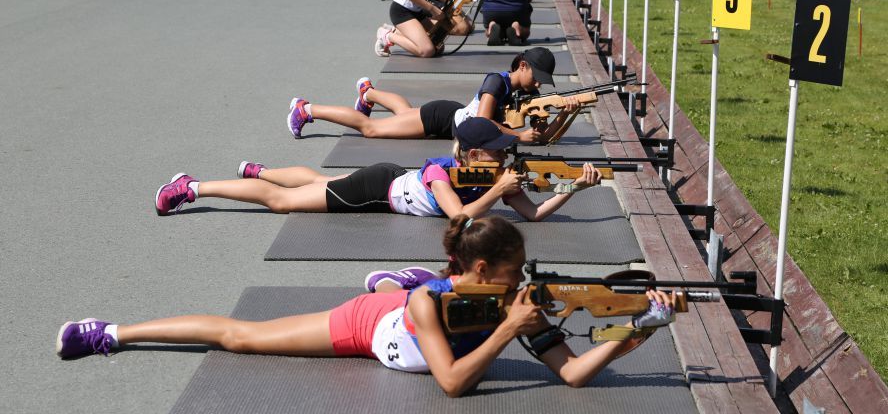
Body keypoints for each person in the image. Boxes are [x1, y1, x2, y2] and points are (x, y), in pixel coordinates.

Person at [56, 214, 676, 397]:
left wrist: (639, 329)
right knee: (240, 337)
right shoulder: (439, 305)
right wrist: (507, 328)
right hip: (371, 327)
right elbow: (455, 383)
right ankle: (115, 331)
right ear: (479, 269)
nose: (522, 285)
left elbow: (570, 374)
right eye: (513, 274)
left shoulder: (514, 303)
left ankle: (391, 281)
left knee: (406, 293)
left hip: (409, 317)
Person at [154, 117, 602, 220]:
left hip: (387, 176)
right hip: (375, 188)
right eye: (496, 152)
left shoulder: (492, 179)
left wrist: (572, 187)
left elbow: (534, 215)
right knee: (283, 203)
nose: (504, 158)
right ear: (469, 155)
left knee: (314, 178)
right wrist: (499, 188)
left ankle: (260, 170)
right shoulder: (442, 172)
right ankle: (194, 187)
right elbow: (459, 217)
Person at [288, 48, 571, 144]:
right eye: (537, 77)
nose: (539, 85)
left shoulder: (518, 91)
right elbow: (483, 123)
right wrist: (518, 135)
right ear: (523, 66)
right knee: (371, 129)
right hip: (442, 119)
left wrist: (567, 113)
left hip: (449, 117)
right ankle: (306, 109)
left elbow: (544, 139)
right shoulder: (497, 82)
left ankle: (368, 93)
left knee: (405, 114)